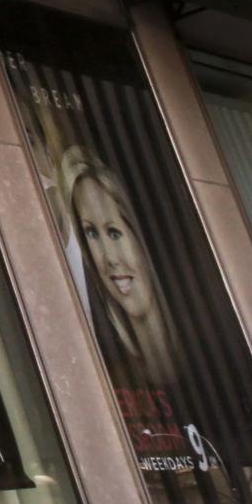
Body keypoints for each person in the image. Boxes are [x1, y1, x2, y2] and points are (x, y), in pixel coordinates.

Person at [60, 146, 180, 392]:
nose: (109, 259)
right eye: (91, 233)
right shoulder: (110, 376)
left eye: (114, 232)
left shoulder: (204, 357)